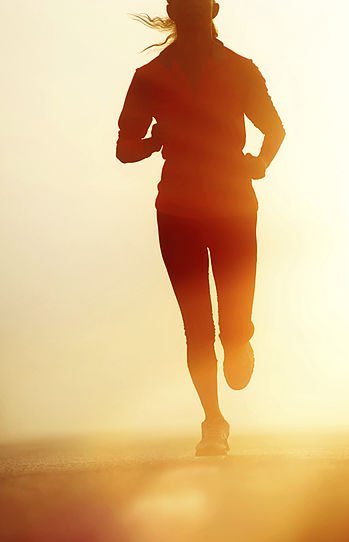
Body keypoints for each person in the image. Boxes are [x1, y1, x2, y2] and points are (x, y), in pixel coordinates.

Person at [115, 0, 285, 456]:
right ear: (173, 12)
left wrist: (261, 164)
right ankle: (213, 421)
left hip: (233, 205)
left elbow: (274, 129)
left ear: (212, 11)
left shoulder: (240, 69)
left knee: (231, 322)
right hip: (177, 210)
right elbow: (125, 149)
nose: (191, 15)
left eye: (198, 7)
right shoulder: (149, 77)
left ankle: (239, 339)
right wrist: (157, 140)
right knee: (196, 326)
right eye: (182, 8)